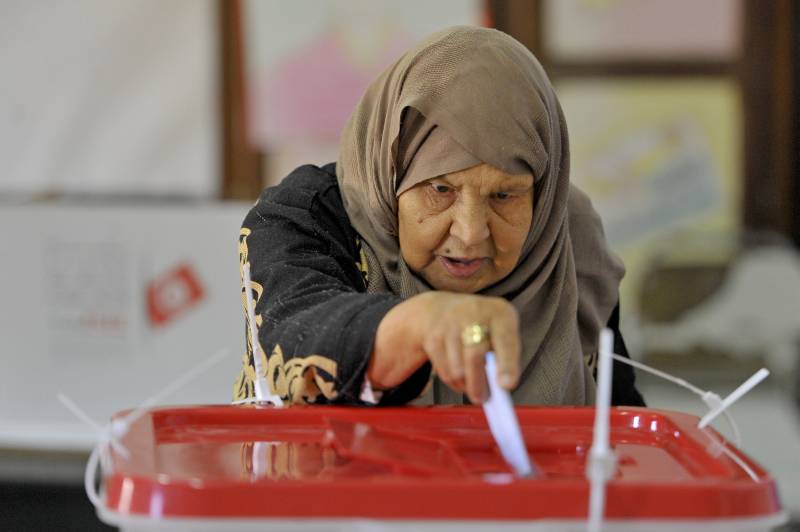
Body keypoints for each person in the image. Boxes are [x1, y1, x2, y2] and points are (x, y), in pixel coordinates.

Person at [233, 26, 644, 407]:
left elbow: (624, 429)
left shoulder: (566, 234)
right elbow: (289, 336)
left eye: (504, 195)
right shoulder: (307, 216)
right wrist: (419, 324)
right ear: (392, 172)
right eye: (440, 190)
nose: (469, 234)